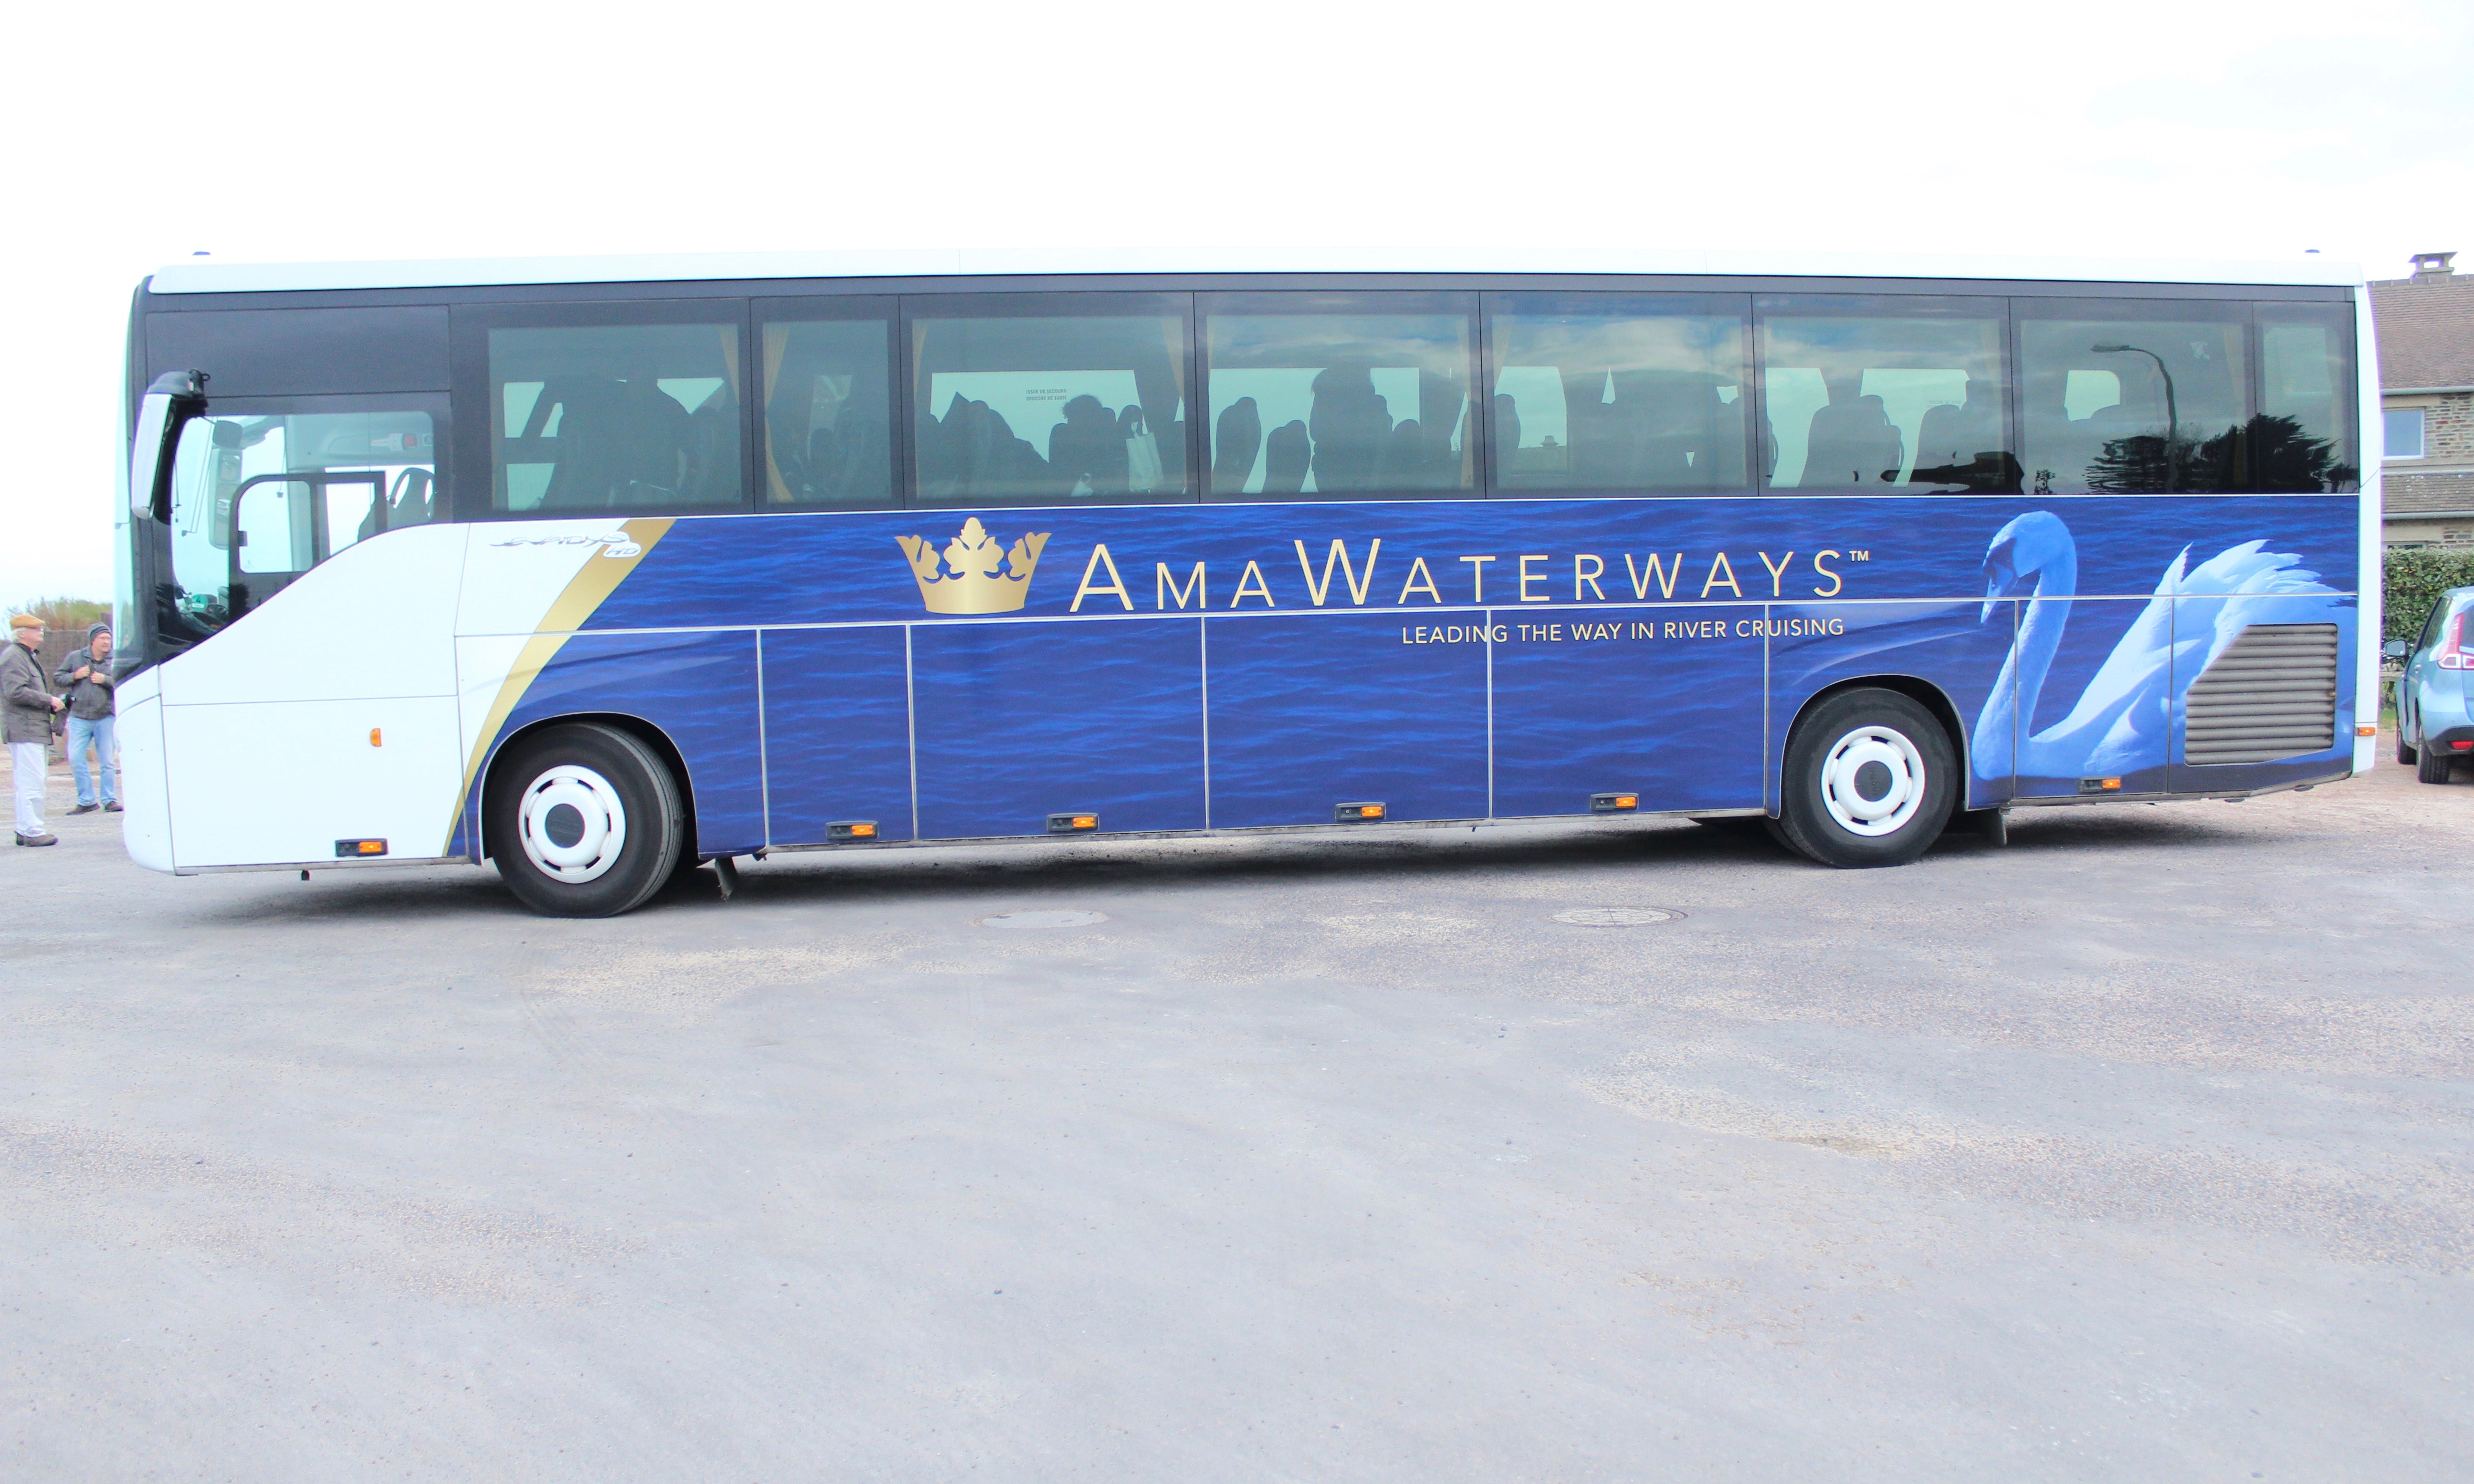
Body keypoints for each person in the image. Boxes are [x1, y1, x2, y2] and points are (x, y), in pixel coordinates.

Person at [4, 614, 65, 846]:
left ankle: (25, 829)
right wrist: (49, 700)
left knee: (29, 781)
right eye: (35, 628)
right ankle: (33, 831)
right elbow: (15, 692)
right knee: (33, 781)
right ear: (21, 633)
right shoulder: (15, 657)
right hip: (25, 728)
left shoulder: (25, 656)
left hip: (31, 727)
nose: (41, 632)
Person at [54, 621, 116, 815]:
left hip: (106, 716)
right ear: (93, 640)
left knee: (107, 761)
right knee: (75, 758)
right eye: (103, 638)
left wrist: (106, 680)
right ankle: (87, 800)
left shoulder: (115, 660)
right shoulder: (75, 658)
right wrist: (75, 676)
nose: (107, 642)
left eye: (109, 638)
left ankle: (109, 799)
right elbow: (58, 677)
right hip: (80, 717)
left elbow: (125, 683)